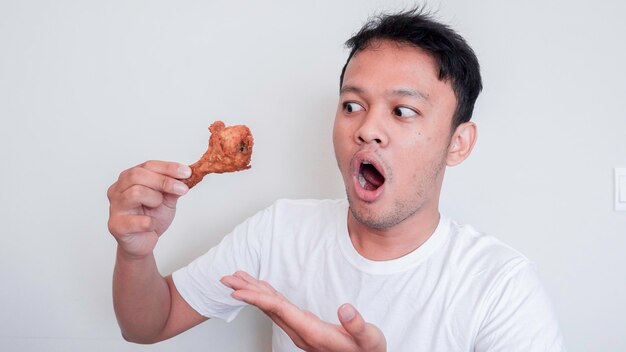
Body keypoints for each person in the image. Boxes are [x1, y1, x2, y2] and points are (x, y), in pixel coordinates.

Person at [107, 8, 565, 352]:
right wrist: (135, 253)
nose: (366, 128)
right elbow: (148, 324)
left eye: (402, 111)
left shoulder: (501, 289)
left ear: (458, 143)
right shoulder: (278, 232)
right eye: (352, 105)